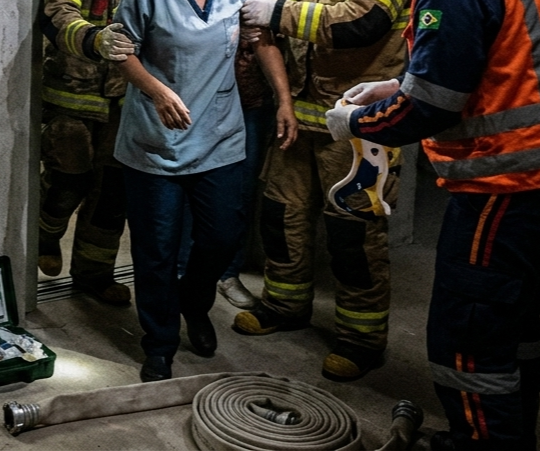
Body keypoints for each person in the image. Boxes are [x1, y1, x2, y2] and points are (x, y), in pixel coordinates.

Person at [325, 0, 540, 446]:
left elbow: (430, 106)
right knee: (519, 328)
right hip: (528, 184)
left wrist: (356, 122)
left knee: (470, 340)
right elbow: (497, 61)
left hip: (504, 185)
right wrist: (399, 86)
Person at [113, 0, 295, 383]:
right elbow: (121, 52)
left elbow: (261, 40)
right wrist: (157, 92)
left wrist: (284, 100)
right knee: (157, 250)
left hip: (218, 134)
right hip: (156, 138)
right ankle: (159, 343)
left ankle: (193, 302)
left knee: (223, 235)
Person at [234, 0, 409, 383]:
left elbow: (361, 23)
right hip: (298, 119)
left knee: (354, 236)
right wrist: (283, 98)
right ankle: (284, 306)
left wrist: (275, 11)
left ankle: (362, 339)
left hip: (359, 127)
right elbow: (265, 33)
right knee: (281, 217)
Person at [177, 30, 298, 310]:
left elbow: (269, 40)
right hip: (200, 99)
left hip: (251, 103)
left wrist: (283, 100)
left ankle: (227, 273)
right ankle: (183, 269)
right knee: (191, 185)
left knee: (240, 191)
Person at [38, 0, 135, 306]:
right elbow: (57, 14)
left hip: (125, 102)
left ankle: (95, 274)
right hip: (71, 97)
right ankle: (44, 236)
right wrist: (94, 40)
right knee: (67, 183)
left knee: (111, 196)